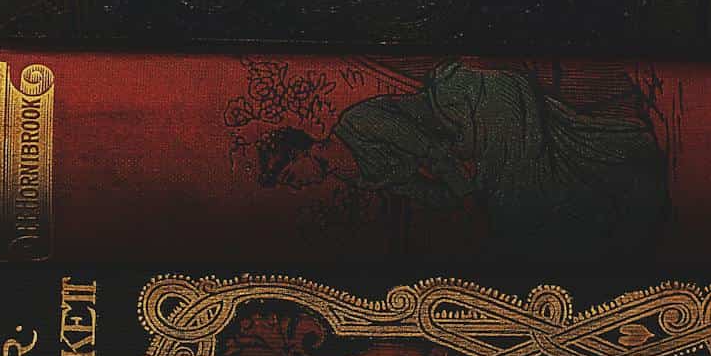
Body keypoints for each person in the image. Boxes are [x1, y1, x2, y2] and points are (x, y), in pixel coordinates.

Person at [257, 62, 668, 259]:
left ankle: (619, 221)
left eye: (293, 175)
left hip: (477, 104)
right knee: (512, 210)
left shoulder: (357, 123)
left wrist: (468, 190)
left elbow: (427, 149)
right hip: (470, 140)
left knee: (516, 202)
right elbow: (422, 188)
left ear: (305, 149)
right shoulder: (358, 176)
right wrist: (458, 202)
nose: (298, 186)